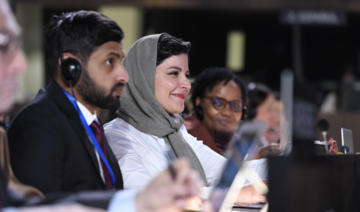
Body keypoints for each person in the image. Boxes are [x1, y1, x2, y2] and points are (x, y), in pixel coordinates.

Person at [0, 3, 204, 211]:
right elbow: (38, 207)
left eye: (120, 62)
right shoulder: (39, 124)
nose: (124, 76)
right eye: (110, 62)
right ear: (72, 68)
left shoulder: (90, 123)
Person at [104, 33, 267, 205]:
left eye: (186, 74)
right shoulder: (116, 137)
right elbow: (148, 200)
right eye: (174, 73)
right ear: (143, 79)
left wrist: (280, 164)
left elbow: (225, 171)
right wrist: (231, 194)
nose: (187, 84)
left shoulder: (175, 131)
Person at [184, 67, 247, 155]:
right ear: (199, 101)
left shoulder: (228, 135)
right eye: (218, 103)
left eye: (235, 105)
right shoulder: (188, 136)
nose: (227, 112)